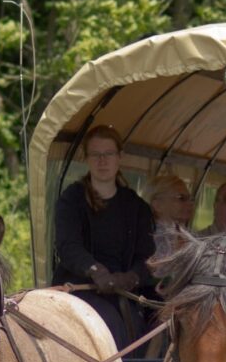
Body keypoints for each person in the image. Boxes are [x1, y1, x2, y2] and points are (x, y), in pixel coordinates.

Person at [49, 124, 156, 349]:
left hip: (123, 292)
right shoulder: (72, 200)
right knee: (110, 325)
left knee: (151, 327)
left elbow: (147, 257)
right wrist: (96, 271)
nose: (102, 161)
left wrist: (131, 278)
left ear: (120, 157)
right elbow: (68, 247)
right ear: (86, 159)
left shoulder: (137, 207)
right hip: (80, 290)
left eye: (108, 154)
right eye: (96, 155)